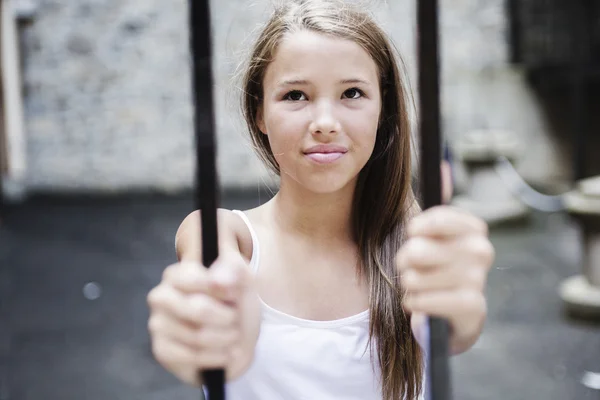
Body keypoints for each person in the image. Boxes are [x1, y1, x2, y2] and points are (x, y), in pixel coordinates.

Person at [146, 1, 494, 399]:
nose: (325, 122)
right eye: (296, 95)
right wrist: (205, 325)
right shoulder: (226, 237)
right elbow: (210, 281)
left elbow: (453, 326)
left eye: (352, 92)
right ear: (259, 112)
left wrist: (460, 319)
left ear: (383, 110)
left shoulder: (417, 245)